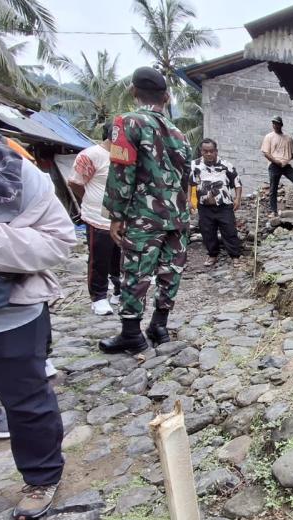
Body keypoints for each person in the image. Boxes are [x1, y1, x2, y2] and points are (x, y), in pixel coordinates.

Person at [0, 116, 77, 520]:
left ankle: (42, 476)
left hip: (8, 316)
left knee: (27, 401)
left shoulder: (13, 172)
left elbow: (59, 239)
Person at [99, 67, 192, 354]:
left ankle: (131, 334)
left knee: (135, 271)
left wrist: (116, 215)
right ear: (165, 97)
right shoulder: (181, 135)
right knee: (170, 271)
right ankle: (159, 326)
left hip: (144, 215)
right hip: (177, 217)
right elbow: (187, 180)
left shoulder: (127, 123)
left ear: (134, 92)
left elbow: (121, 171)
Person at [67, 122, 120, 316]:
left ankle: (118, 290)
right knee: (99, 259)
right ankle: (98, 297)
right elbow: (75, 183)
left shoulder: (125, 155)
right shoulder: (91, 155)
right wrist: (91, 201)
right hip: (97, 217)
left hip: (121, 218)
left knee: (119, 258)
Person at [190, 138, 243, 268]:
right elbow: (190, 184)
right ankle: (212, 255)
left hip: (224, 205)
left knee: (230, 230)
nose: (208, 154)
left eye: (211, 151)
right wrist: (189, 201)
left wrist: (237, 198)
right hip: (204, 206)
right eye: (205, 151)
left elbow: (237, 183)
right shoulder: (194, 165)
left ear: (216, 151)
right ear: (201, 151)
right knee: (207, 231)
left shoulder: (226, 165)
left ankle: (235, 256)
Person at [261, 116, 293, 217]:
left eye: (277, 123)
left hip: (285, 165)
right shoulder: (269, 137)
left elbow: (292, 153)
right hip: (274, 165)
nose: (275, 125)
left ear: (281, 125)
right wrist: (276, 161)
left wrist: (286, 160)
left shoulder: (288, 138)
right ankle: (274, 211)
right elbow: (266, 153)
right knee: (273, 188)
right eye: (273, 123)